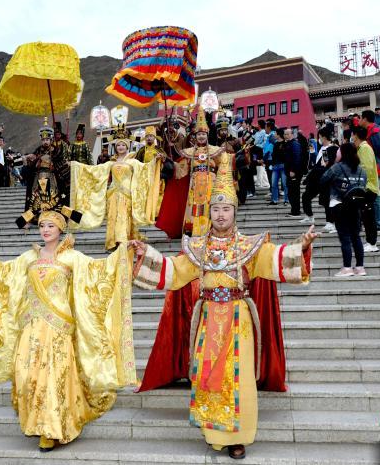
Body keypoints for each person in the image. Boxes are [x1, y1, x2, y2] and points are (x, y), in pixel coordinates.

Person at [130, 166, 317, 460]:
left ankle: (238, 437)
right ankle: (214, 434)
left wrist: (301, 247)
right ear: (210, 212)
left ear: (234, 212)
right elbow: (174, 272)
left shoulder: (250, 246)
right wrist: (146, 254)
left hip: (239, 318)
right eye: (216, 209)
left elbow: (275, 260)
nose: (220, 214)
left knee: (239, 378)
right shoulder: (197, 247)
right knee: (208, 376)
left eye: (226, 209)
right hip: (208, 319)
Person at [0, 207, 136, 451]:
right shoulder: (29, 257)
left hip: (58, 327)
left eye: (50, 226)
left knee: (54, 376)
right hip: (31, 326)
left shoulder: (72, 257)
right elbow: (1, 273)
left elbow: (100, 271)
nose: (45, 230)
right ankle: (35, 421)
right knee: (27, 375)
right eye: (42, 226)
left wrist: (123, 252)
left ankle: (51, 429)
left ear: (61, 229)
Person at [70, 128, 161, 250]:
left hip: (126, 194)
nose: (121, 147)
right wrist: (76, 165)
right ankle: (113, 241)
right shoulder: (111, 162)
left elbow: (146, 168)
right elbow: (94, 170)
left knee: (124, 217)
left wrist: (155, 160)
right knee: (113, 217)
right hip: (113, 194)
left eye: (123, 145)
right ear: (115, 147)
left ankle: (124, 241)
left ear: (127, 146)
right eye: (118, 145)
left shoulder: (132, 161)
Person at [165, 105, 231, 236]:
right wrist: (169, 162)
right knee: (195, 204)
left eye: (203, 134)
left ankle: (212, 228)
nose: (201, 136)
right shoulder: (189, 152)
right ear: (195, 136)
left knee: (210, 203)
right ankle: (195, 229)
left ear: (207, 135)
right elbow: (182, 169)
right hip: (195, 183)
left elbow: (224, 164)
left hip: (211, 182)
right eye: (199, 134)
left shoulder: (215, 150)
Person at [321, 142, 368, 277]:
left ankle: (347, 268)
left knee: (345, 237)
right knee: (356, 237)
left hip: (339, 205)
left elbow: (323, 180)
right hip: (356, 206)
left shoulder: (337, 167)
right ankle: (360, 267)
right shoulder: (361, 170)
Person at [352, 126, 380, 253]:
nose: (352, 138)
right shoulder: (362, 148)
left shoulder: (364, 148)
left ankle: (372, 243)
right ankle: (370, 241)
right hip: (367, 187)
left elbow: (367, 168)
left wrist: (360, 184)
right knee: (366, 216)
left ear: (356, 135)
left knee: (369, 216)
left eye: (353, 135)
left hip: (367, 187)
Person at [301, 126, 337, 225]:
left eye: (320, 137)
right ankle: (309, 216)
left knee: (326, 200)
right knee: (306, 196)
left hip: (324, 179)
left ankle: (330, 222)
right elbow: (318, 163)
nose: (319, 139)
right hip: (316, 179)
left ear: (324, 137)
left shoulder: (330, 149)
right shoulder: (323, 149)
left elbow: (324, 165)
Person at [284, 128, 303, 217]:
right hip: (289, 171)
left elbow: (297, 157)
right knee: (291, 192)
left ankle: (296, 211)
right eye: (285, 134)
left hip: (294, 172)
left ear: (291, 134)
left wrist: (293, 170)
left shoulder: (295, 144)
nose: (285, 136)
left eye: (287, 134)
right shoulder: (289, 144)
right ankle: (294, 210)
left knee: (294, 192)